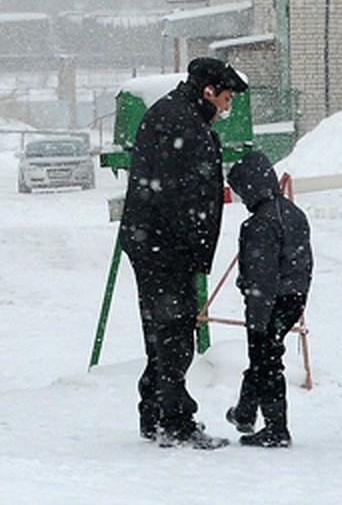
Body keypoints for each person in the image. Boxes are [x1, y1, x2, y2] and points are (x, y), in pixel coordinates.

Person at [119, 56, 248, 449]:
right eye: (225, 98)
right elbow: (179, 195)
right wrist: (190, 246)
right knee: (174, 334)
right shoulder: (183, 124)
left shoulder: (175, 115)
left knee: (162, 333)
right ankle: (174, 421)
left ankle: (154, 413)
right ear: (208, 91)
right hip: (165, 246)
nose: (227, 108)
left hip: (155, 241)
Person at [224, 150, 313, 448]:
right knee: (265, 356)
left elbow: (261, 276)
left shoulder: (258, 225)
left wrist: (258, 321)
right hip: (294, 297)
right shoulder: (293, 212)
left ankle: (276, 428)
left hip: (269, 301)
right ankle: (245, 413)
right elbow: (304, 263)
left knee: (266, 360)